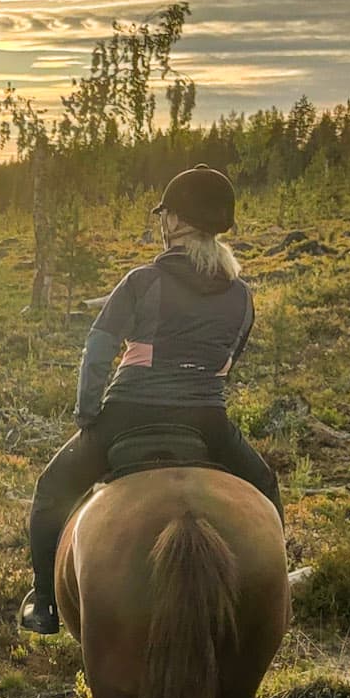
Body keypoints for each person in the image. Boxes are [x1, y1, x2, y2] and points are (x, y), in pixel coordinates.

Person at [19, 165, 282, 636]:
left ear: (178, 222)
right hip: (206, 420)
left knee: (51, 491)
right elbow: (227, 363)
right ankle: (277, 600)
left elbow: (98, 349)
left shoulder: (142, 281)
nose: (161, 223)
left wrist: (88, 415)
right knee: (264, 484)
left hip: (128, 413)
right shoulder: (242, 295)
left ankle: (44, 604)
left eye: (165, 215)